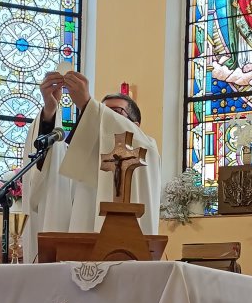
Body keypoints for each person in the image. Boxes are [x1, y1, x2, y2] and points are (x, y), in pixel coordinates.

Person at [21, 70, 161, 264]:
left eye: (114, 113)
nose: (103, 118)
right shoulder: (77, 157)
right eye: (101, 112)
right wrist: (49, 113)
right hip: (74, 252)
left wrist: (88, 104)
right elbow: (46, 174)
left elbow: (134, 142)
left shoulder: (146, 147)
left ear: (135, 125)